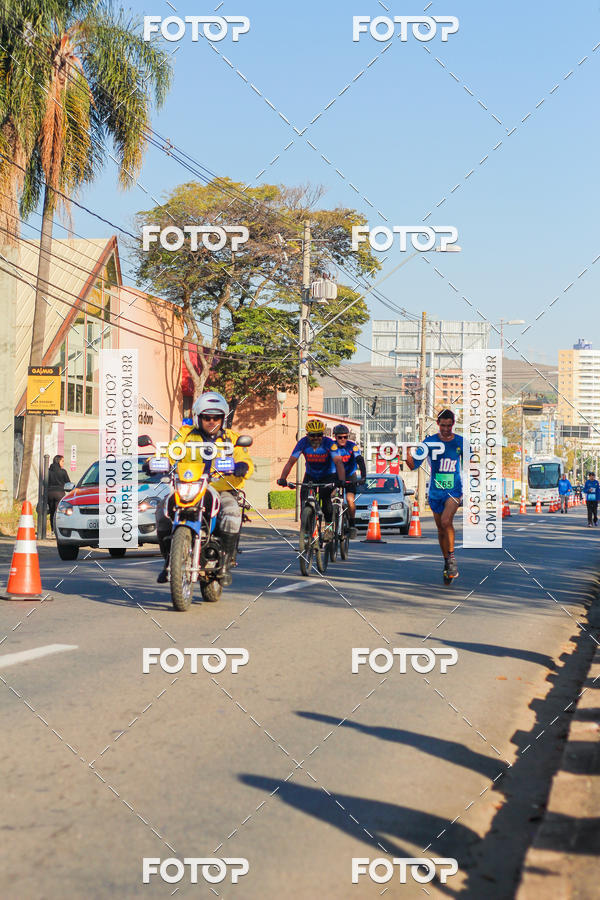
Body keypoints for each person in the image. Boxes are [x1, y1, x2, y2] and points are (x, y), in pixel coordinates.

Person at [156, 391, 254, 585]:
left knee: (232, 512)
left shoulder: (231, 438)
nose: (211, 421)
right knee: (161, 510)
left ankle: (224, 564)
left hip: (221, 489)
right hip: (188, 486)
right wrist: (155, 462)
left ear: (223, 418)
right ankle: (169, 560)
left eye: (216, 417)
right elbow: (170, 452)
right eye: (207, 417)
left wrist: (242, 467)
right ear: (197, 417)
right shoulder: (185, 435)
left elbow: (244, 459)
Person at [405, 409, 463, 580]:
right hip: (436, 490)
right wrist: (407, 454)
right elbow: (413, 465)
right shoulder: (429, 443)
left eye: (449, 426)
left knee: (446, 521)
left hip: (454, 489)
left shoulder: (461, 442)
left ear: (453, 424)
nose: (446, 429)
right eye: (443, 425)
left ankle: (452, 558)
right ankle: (446, 560)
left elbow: (472, 465)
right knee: (440, 529)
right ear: (438, 424)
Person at [277, 418, 346, 537]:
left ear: (323, 434)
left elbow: (338, 463)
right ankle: (306, 529)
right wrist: (283, 478)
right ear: (307, 434)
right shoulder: (302, 443)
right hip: (311, 475)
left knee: (326, 502)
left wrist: (341, 481)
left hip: (328, 475)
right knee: (304, 499)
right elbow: (291, 461)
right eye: (312, 435)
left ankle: (329, 528)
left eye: (319, 435)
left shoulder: (330, 444)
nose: (316, 438)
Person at [331, 424, 366, 539]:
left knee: (350, 499)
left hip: (350, 476)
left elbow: (359, 460)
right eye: (340, 437)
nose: (342, 439)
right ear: (335, 437)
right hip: (335, 475)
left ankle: (352, 524)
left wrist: (363, 476)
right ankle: (330, 524)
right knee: (330, 495)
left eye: (345, 437)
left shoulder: (352, 446)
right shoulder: (332, 447)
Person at [47, 454, 70, 533]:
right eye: (62, 461)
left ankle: (53, 529)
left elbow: (44, 482)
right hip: (59, 494)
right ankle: (59, 530)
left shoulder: (48, 471)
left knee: (52, 512)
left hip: (49, 494)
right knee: (59, 512)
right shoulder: (63, 471)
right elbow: (68, 483)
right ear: (58, 461)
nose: (63, 463)